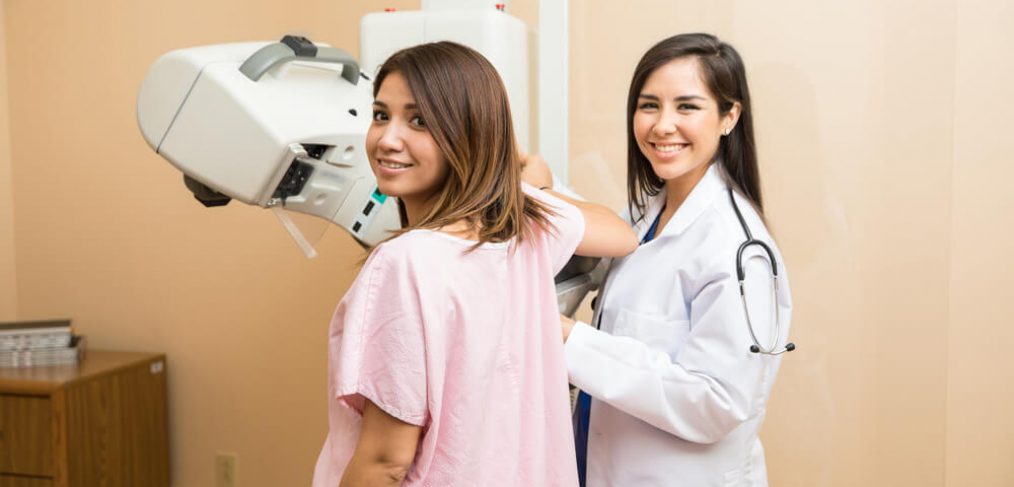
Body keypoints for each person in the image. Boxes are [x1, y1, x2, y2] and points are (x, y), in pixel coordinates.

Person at [311, 41, 638, 487]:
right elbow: (621, 234)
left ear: (469, 134)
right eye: (381, 114)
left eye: (419, 120)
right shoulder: (525, 228)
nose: (387, 139)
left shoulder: (404, 263)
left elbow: (386, 460)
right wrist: (523, 188)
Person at [551, 33, 794, 486]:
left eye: (687, 107)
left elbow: (715, 403)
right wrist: (541, 187)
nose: (663, 125)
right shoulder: (649, 212)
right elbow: (604, 249)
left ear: (729, 116)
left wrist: (571, 341)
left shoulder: (737, 249)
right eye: (649, 106)